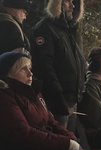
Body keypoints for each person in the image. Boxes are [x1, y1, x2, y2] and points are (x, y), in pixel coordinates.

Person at [30, 0, 86, 128]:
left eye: (74, 1)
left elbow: (77, 62)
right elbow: (45, 67)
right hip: (57, 102)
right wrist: (59, 99)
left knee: (70, 140)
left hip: (72, 100)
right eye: (67, 1)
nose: (72, 5)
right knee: (60, 142)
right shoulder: (45, 28)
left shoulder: (70, 29)